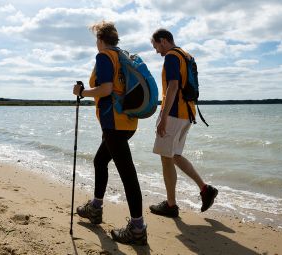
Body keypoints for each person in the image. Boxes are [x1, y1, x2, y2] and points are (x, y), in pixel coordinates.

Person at [72, 21, 147, 245]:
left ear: (101, 40)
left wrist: (82, 91)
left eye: (96, 39)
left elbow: (105, 89)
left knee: (127, 174)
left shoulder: (105, 56)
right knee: (100, 160)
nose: (96, 44)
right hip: (128, 122)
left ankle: (137, 228)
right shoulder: (123, 56)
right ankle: (95, 208)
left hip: (114, 124)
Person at [149, 28, 218, 218]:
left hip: (173, 114)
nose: (156, 51)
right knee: (176, 156)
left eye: (155, 46)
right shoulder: (186, 55)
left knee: (166, 158)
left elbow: (173, 87)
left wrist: (163, 118)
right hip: (187, 112)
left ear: (163, 41)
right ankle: (205, 189)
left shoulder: (171, 56)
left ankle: (171, 206)